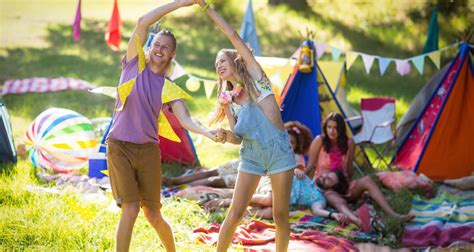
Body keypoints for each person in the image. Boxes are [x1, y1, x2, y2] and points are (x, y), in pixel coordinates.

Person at [105, 1, 217, 251]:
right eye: (156, 44)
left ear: (171, 55)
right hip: (119, 147)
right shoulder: (134, 63)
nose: (160, 50)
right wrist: (184, 3)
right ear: (149, 46)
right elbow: (143, 21)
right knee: (131, 209)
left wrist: (208, 133)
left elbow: (186, 120)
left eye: (165, 48)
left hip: (148, 151)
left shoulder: (168, 87)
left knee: (153, 214)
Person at [196, 1, 297, 251]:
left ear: (236, 60)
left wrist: (205, 8)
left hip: (278, 153)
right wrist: (224, 135)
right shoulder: (228, 101)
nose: (218, 66)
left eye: (223, 60)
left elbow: (232, 34)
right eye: (216, 65)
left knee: (280, 216)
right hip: (250, 156)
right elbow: (238, 137)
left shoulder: (255, 78)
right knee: (235, 212)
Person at [203, 122, 349, 224]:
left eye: (329, 180)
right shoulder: (307, 179)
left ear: (331, 188)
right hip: (272, 182)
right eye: (326, 175)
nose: (323, 177)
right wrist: (295, 171)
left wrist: (333, 214)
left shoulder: (319, 199)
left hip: (278, 196)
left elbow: (318, 211)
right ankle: (227, 202)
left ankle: (242, 212)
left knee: (272, 212)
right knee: (269, 199)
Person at [316, 170, 415, 232]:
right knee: (330, 195)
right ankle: (359, 222)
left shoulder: (336, 187)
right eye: (325, 176)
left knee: (367, 179)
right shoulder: (326, 192)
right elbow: (340, 204)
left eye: (328, 177)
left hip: (344, 192)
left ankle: (394, 215)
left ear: (334, 186)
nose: (323, 177)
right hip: (336, 199)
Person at [296, 112, 355, 182]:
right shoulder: (319, 141)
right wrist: (298, 182)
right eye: (329, 127)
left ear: (341, 129)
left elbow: (349, 168)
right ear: (325, 127)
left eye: (335, 128)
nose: (331, 131)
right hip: (322, 184)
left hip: (342, 184)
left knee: (366, 181)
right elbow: (310, 167)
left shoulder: (349, 142)